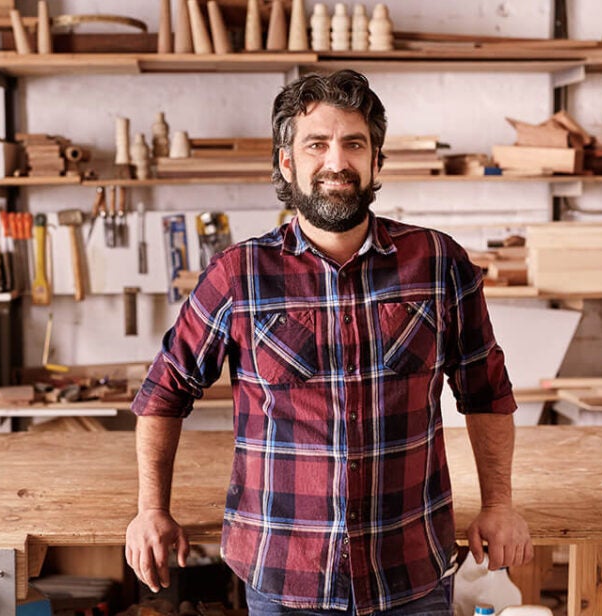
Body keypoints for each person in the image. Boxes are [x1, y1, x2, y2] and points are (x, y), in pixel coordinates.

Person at [126, 69, 532, 616]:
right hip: (283, 578)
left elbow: (486, 393)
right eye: (316, 144)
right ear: (287, 162)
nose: (336, 161)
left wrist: (500, 504)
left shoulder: (437, 264)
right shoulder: (238, 275)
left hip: (409, 575)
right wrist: (151, 508)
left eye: (354, 144)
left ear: (376, 162)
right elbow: (163, 394)